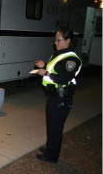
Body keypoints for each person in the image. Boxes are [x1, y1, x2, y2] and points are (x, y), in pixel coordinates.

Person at [34, 27, 82, 163]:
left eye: (58, 40)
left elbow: (63, 78)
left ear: (68, 40)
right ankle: (50, 148)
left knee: (56, 127)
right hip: (53, 95)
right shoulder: (59, 53)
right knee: (51, 125)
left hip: (61, 98)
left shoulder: (72, 59)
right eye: (55, 40)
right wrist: (44, 66)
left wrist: (45, 73)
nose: (56, 43)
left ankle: (51, 156)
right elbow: (53, 69)